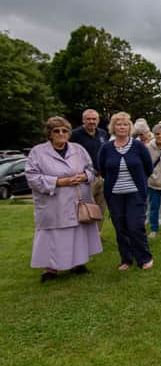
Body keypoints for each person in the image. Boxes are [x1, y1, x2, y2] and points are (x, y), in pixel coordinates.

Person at [26, 116, 103, 282]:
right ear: (50, 134)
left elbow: (91, 170)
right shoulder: (38, 152)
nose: (61, 133)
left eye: (64, 130)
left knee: (77, 233)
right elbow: (31, 177)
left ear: (69, 133)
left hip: (77, 199)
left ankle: (78, 264)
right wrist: (58, 182)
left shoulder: (78, 149)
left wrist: (84, 177)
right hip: (53, 202)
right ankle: (50, 269)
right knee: (52, 235)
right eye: (56, 131)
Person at [98, 112, 154, 270]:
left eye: (125, 124)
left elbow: (148, 168)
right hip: (114, 195)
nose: (122, 127)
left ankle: (144, 257)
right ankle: (126, 260)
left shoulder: (138, 146)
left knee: (135, 226)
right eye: (118, 124)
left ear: (130, 127)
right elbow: (102, 169)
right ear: (113, 127)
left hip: (135, 193)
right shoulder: (106, 148)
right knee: (120, 228)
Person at [70, 108, 109, 231]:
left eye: (94, 119)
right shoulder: (75, 135)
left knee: (100, 207)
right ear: (83, 120)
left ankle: (97, 235)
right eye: (89, 119)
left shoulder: (102, 134)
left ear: (98, 120)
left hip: (101, 176)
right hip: (85, 178)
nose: (92, 121)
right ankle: (83, 235)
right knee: (85, 208)